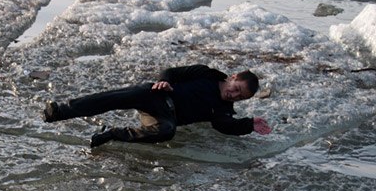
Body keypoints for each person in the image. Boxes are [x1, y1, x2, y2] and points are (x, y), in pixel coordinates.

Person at [42, 64, 272, 147]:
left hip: (166, 116)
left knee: (167, 131)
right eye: (237, 89)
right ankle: (59, 111)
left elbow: (225, 126)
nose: (234, 95)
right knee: (113, 98)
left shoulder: (223, 110)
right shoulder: (207, 74)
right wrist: (165, 81)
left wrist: (250, 124)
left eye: (240, 98)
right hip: (156, 95)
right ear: (233, 77)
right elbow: (172, 72)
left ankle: (113, 135)